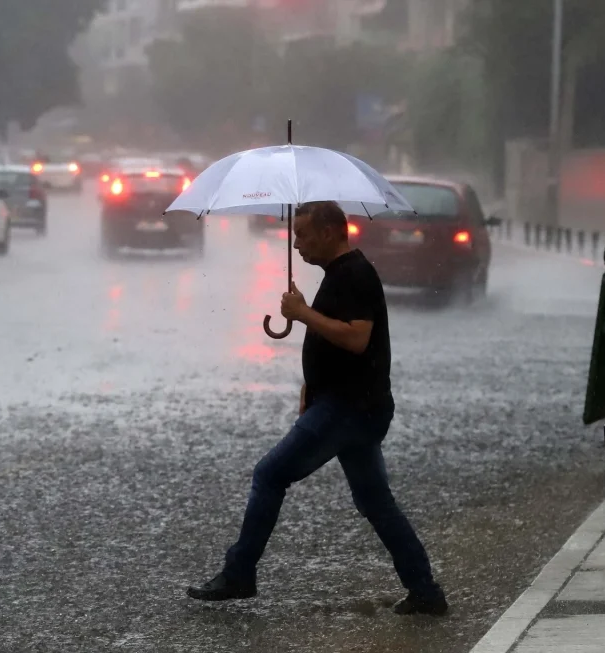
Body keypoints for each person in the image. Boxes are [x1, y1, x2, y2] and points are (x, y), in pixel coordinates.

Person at [186, 201, 448, 616]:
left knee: (269, 474)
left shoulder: (356, 274)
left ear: (329, 232)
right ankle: (425, 591)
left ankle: (239, 573)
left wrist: (304, 313)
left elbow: (358, 339)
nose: (296, 242)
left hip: (349, 407)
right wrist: (313, 383)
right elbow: (336, 342)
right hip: (348, 403)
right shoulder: (338, 274)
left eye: (303, 234)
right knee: (375, 501)